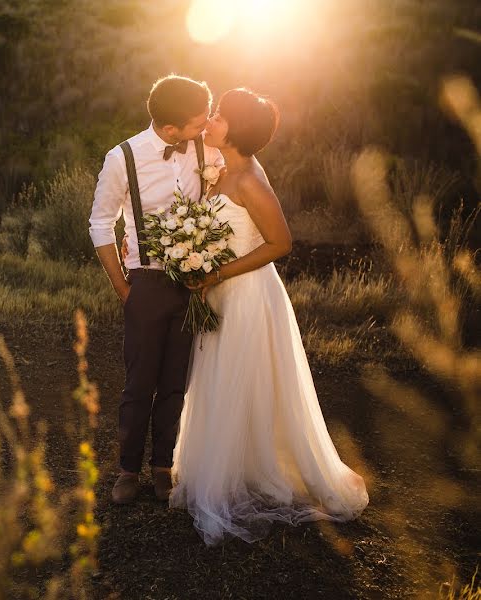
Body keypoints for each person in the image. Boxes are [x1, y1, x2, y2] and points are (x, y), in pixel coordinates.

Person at [169, 88, 369, 544]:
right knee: (223, 379)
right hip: (220, 291)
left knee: (246, 378)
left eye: (218, 116)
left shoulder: (249, 181)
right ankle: (232, 466)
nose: (211, 120)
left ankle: (247, 475)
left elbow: (281, 243)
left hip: (247, 295)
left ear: (235, 131)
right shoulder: (223, 167)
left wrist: (217, 271)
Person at [89, 75, 224, 504]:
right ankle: (127, 470)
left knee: (175, 381)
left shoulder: (209, 152)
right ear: (170, 130)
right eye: (198, 123)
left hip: (193, 284)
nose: (204, 128)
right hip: (143, 283)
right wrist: (123, 288)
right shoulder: (122, 157)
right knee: (138, 382)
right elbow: (99, 223)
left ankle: (163, 466)